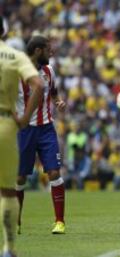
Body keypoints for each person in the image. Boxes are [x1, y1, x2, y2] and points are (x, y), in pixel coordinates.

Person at [0, 16, 43, 257]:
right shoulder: (15, 56)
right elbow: (38, 85)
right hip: (6, 122)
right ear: (4, 30)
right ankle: (8, 248)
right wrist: (26, 117)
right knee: (7, 190)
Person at [15, 35, 66, 235]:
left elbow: (53, 92)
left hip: (46, 129)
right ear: (37, 51)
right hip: (25, 131)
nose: (51, 52)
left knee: (54, 173)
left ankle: (60, 221)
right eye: (47, 49)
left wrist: (58, 101)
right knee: (20, 178)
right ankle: (16, 220)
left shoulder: (48, 71)